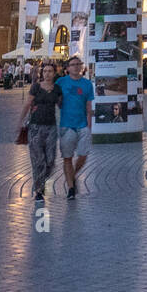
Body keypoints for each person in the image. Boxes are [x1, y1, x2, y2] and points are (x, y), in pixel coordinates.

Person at [56, 55, 95, 198]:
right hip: (66, 125)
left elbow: (88, 106)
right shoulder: (61, 82)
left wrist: (89, 125)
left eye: (79, 64)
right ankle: (71, 189)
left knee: (83, 155)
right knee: (67, 157)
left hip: (82, 124)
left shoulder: (87, 84)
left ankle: (73, 174)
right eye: (73, 64)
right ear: (67, 68)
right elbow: (55, 98)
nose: (76, 66)